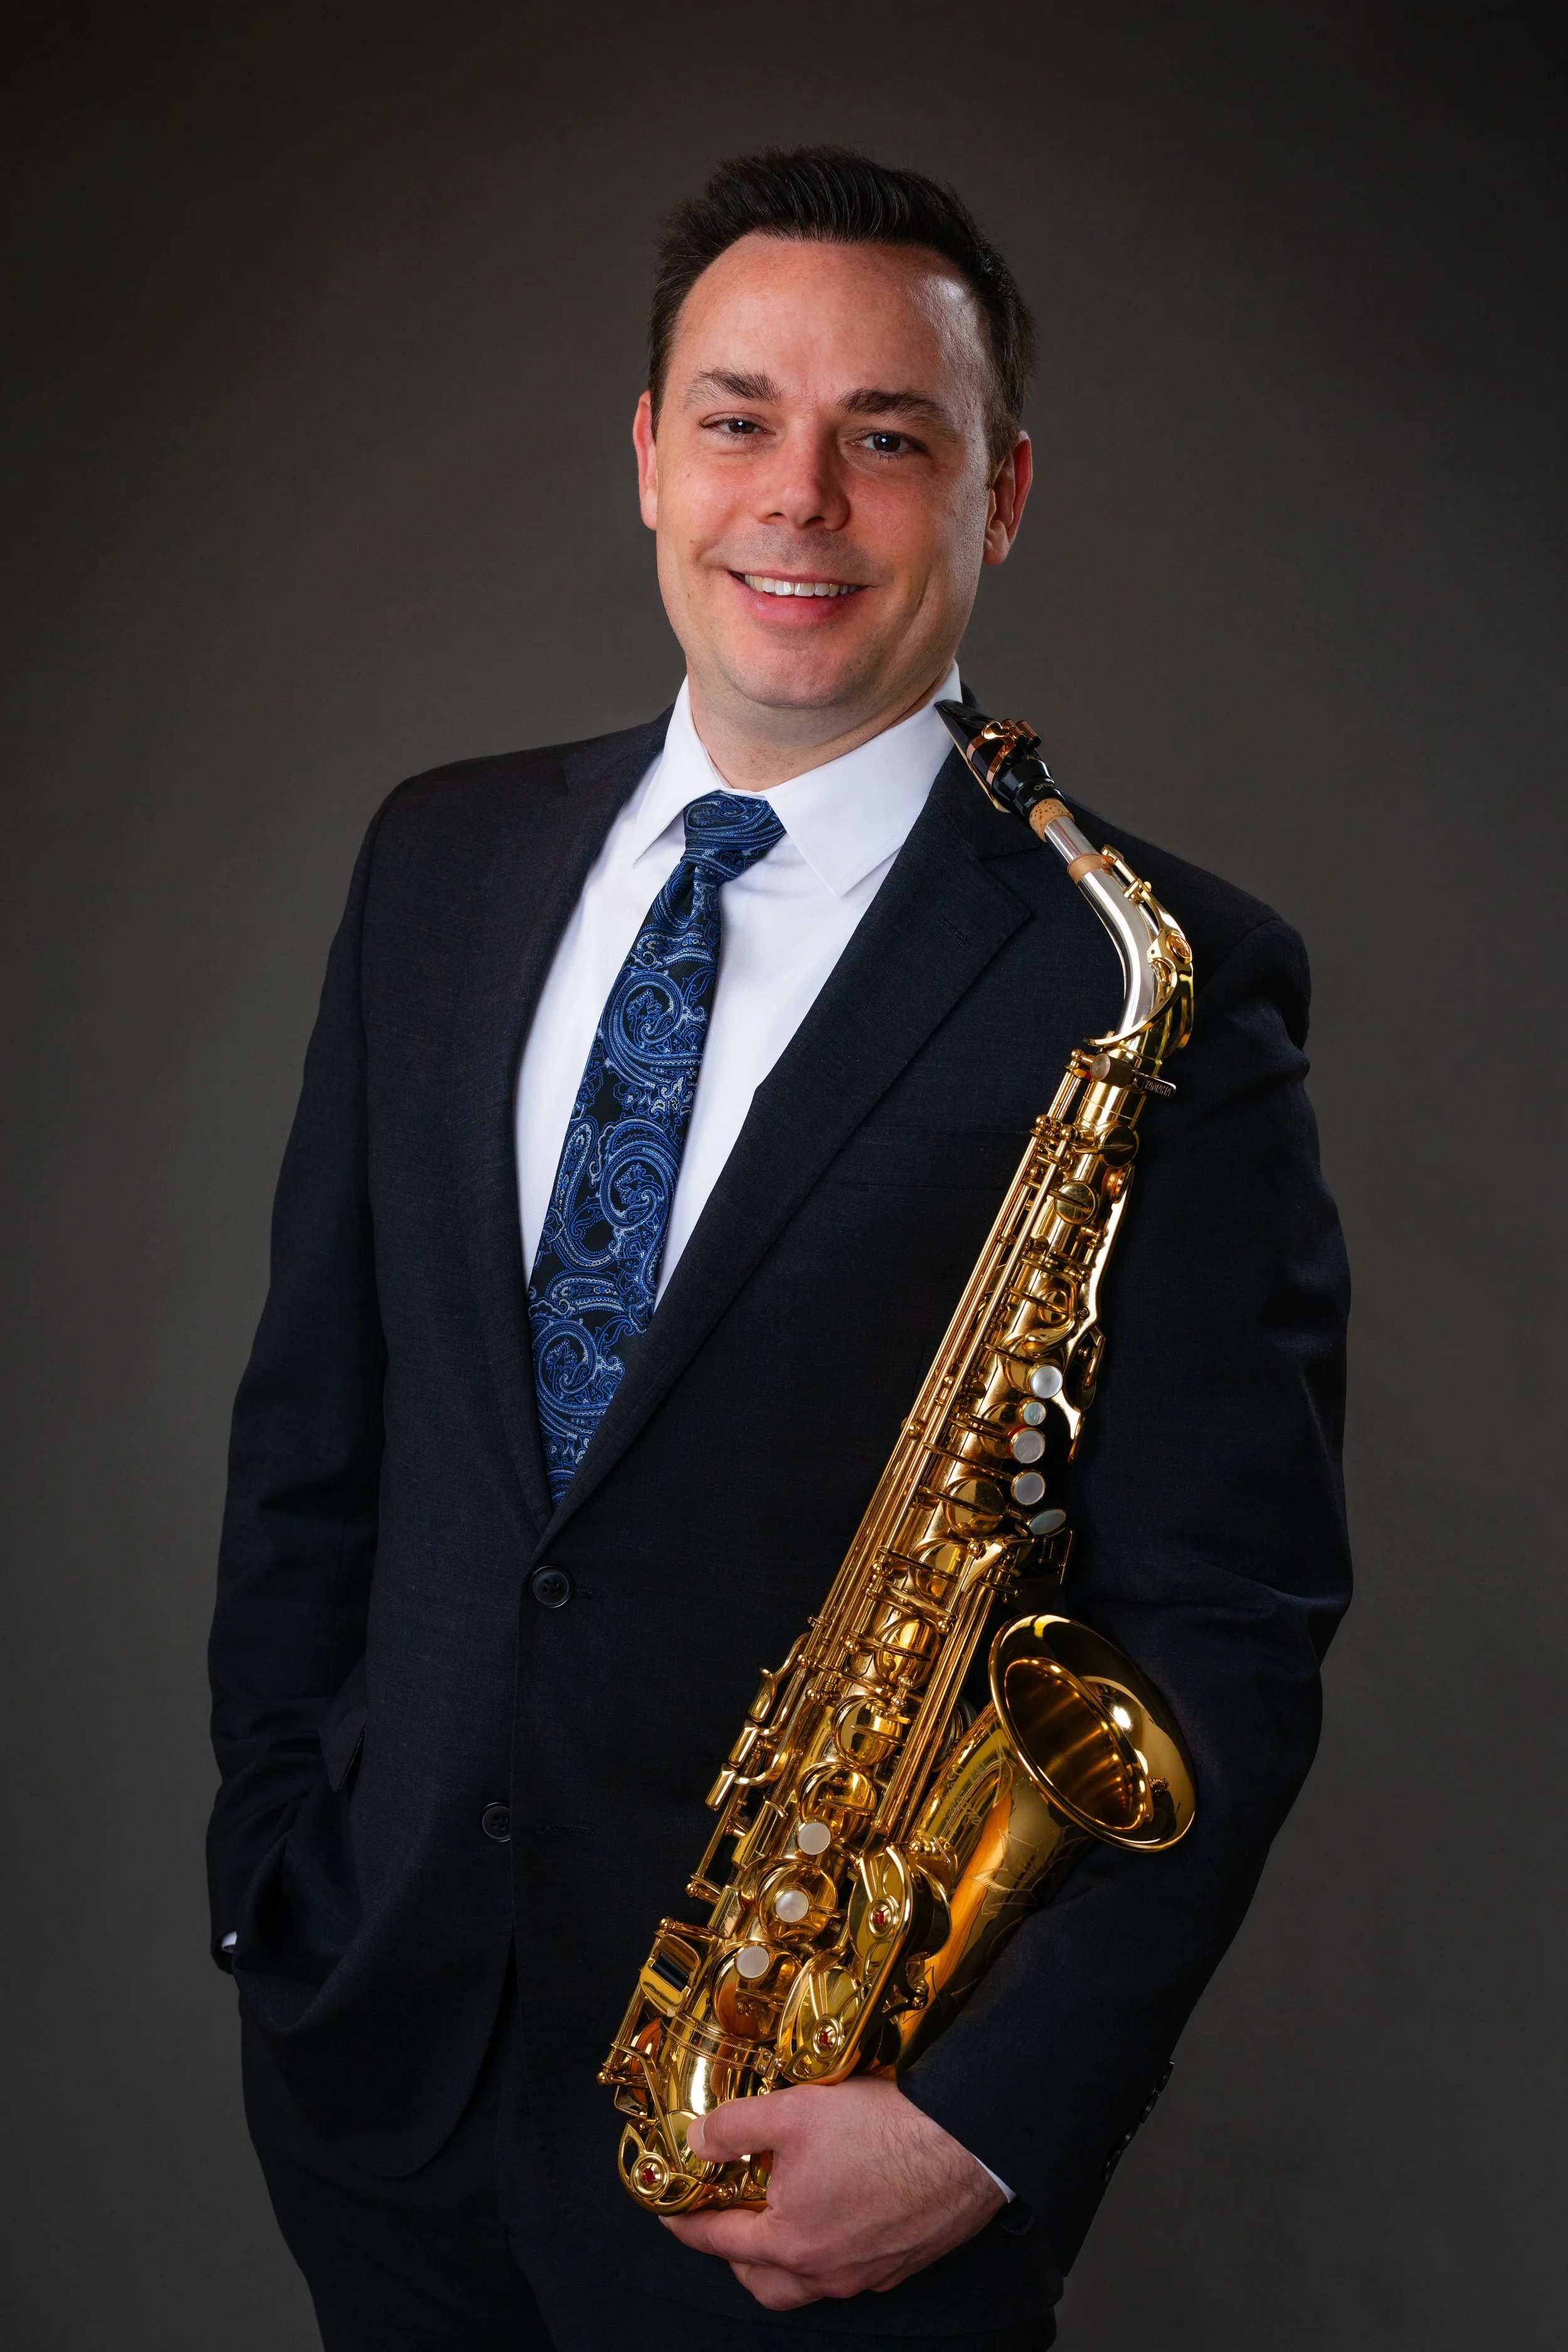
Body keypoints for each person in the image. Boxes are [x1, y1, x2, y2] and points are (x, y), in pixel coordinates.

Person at [208, 147, 1351, 2351]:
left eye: (888, 438)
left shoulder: (1153, 975)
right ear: (650, 455)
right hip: (387, 2085)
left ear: (1002, 494)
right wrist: (277, 1882)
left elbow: (1230, 1618)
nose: (797, 499)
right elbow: (314, 1436)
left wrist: (980, 2127)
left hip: (827, 2138)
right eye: (738, 418)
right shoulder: (438, 859)